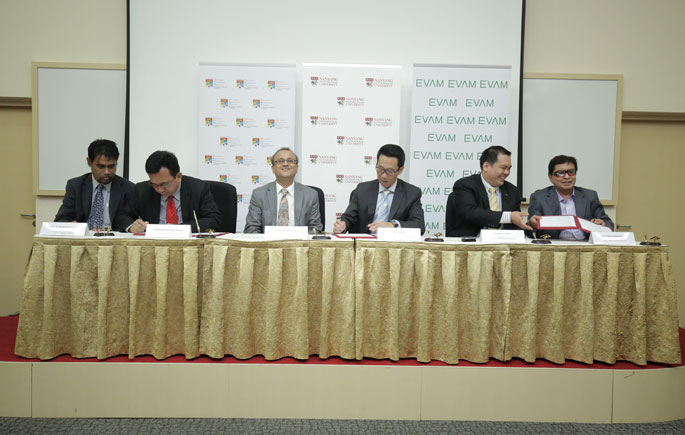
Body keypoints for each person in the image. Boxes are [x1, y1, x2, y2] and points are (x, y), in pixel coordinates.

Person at [120, 151, 220, 233]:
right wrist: (132, 226)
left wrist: (179, 229)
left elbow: (214, 219)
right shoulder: (142, 190)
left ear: (178, 177)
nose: (160, 190)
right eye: (154, 184)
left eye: (164, 184)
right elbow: (122, 215)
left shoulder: (198, 188)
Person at [334, 144, 425, 234]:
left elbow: (419, 226)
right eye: (380, 169)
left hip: (393, 242)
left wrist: (393, 225)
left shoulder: (412, 193)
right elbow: (348, 217)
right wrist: (342, 225)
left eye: (390, 171)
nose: (384, 175)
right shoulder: (362, 189)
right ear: (376, 164)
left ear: (400, 170)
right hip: (365, 242)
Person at [445, 145, 531, 237]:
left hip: (503, 244)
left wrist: (530, 225)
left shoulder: (512, 191)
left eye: (509, 168)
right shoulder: (465, 185)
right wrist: (508, 217)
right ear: (486, 166)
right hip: (471, 243)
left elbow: (516, 227)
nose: (507, 172)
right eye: (503, 168)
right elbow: (470, 213)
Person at [54, 139, 134, 231]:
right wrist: (74, 227)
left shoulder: (128, 188)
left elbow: (130, 221)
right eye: (101, 166)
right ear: (89, 162)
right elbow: (61, 220)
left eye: (111, 166)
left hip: (113, 237)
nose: (107, 172)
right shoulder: (76, 186)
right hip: (84, 237)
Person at [527, 155, 613, 239]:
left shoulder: (590, 196)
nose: (567, 176)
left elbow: (609, 223)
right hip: (555, 244)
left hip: (585, 244)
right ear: (550, 177)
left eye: (571, 172)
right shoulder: (539, 198)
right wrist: (532, 225)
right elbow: (530, 233)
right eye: (560, 173)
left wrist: (603, 224)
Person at [244, 147, 323, 233]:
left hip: (299, 241)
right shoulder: (259, 194)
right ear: (273, 168)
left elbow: (315, 229)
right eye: (280, 161)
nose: (285, 164)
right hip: (268, 241)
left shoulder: (310, 195)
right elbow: (252, 228)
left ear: (297, 167)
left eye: (290, 161)